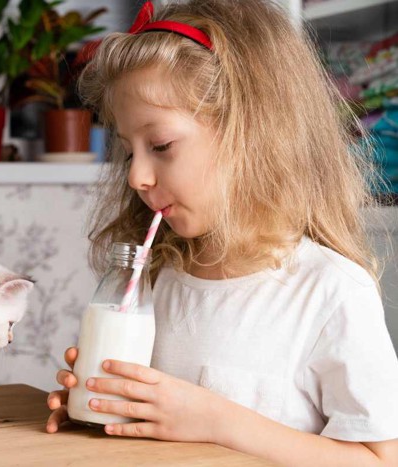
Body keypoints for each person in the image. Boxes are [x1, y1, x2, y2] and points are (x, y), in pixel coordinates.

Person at [45, 1, 398, 465]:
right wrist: (109, 408)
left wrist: (216, 421)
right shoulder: (160, 282)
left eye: (161, 145)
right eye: (129, 151)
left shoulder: (331, 292)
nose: (136, 178)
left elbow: (379, 457)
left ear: (250, 132)